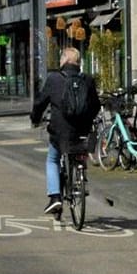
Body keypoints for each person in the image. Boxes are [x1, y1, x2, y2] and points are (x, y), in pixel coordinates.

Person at [30, 48, 97, 216]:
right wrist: (87, 121)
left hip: (60, 131)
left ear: (65, 60)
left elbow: (40, 102)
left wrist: (35, 119)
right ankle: (81, 177)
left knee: (52, 159)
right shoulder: (88, 80)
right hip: (82, 131)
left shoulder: (54, 79)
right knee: (80, 151)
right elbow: (95, 105)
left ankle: (55, 197)